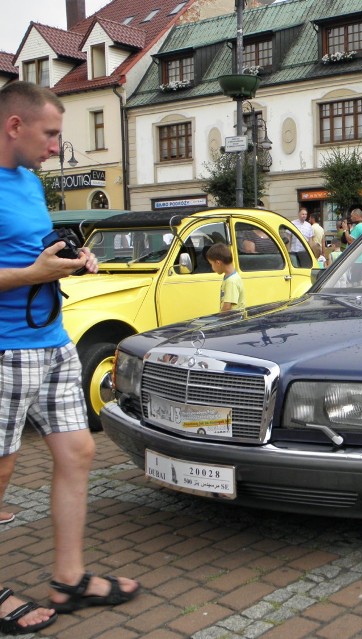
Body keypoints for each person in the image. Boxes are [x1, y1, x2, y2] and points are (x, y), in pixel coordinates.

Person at [0, 81, 139, 621]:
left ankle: (68, 580)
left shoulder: (31, 182)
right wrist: (33, 273)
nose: (58, 146)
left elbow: (28, 247)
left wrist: (72, 258)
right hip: (6, 349)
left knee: (79, 452)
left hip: (53, 341)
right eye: (51, 133)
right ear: (15, 126)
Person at [206, 243, 245, 311]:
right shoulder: (231, 276)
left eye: (211, 264)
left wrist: (219, 319)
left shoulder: (231, 281)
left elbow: (227, 307)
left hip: (233, 319)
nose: (212, 268)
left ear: (218, 263)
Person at [344, 208, 362, 283]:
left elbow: (350, 240)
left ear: (357, 216)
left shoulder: (358, 227)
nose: (351, 218)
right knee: (360, 279)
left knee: (354, 281)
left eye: (352, 216)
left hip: (356, 258)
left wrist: (345, 229)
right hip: (361, 257)